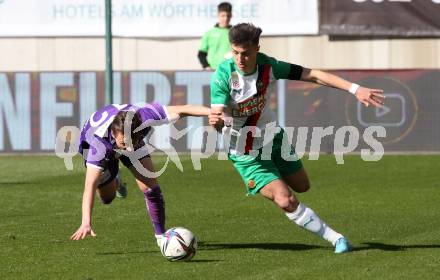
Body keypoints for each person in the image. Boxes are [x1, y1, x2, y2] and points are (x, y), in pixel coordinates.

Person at [209, 23, 385, 253]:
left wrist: (355, 89)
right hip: (244, 151)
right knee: (287, 200)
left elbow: (312, 75)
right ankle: (337, 239)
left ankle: (271, 176)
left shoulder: (269, 66)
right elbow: (217, 115)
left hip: (273, 137)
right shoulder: (223, 75)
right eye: (235, 53)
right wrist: (218, 121)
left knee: (303, 186)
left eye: (246, 53)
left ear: (257, 49)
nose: (240, 59)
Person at [70, 103, 210, 246]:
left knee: (151, 188)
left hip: (121, 140)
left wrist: (214, 113)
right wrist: (86, 222)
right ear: (113, 133)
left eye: (134, 140)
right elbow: (89, 187)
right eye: (125, 142)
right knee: (107, 198)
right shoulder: (97, 146)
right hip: (106, 149)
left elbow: (182, 109)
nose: (129, 149)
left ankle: (161, 237)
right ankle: (116, 180)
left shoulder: (144, 116)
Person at [198, 2, 233, 70]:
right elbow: (201, 54)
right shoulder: (209, 33)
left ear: (231, 15)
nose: (226, 18)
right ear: (218, 15)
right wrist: (206, 66)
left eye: (228, 15)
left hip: (232, 71)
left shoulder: (236, 33)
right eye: (223, 15)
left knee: (236, 81)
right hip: (214, 71)